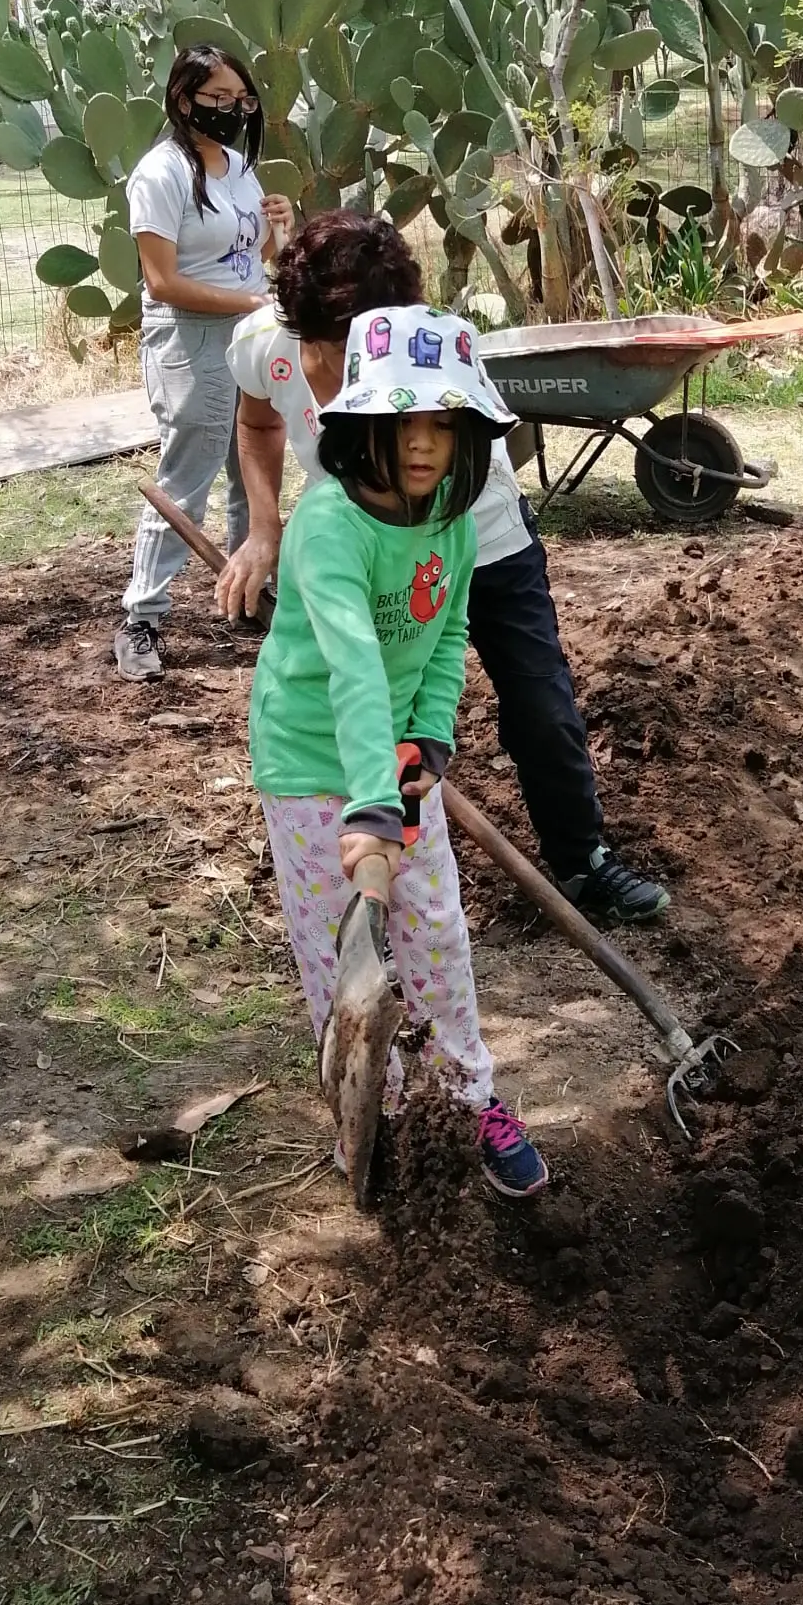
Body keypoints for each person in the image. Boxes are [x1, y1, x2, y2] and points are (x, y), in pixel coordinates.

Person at [218, 210, 668, 924]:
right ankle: (347, 835)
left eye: (363, 355)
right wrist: (265, 530)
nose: (344, 379)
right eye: (329, 352)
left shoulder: (441, 389)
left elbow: (441, 598)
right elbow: (258, 424)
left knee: (539, 706)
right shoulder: (262, 347)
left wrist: (428, 723)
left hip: (471, 539)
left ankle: (583, 862)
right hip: (368, 547)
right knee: (359, 686)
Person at [249, 299, 549, 1200]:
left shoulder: (450, 523)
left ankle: (471, 1093)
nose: (421, 445)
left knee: (434, 933)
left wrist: (428, 738)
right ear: (362, 427)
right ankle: (366, 1112)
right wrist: (368, 810)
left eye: (442, 426)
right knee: (339, 953)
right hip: (309, 761)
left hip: (394, 756)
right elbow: (350, 670)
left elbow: (447, 632)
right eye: (401, 422)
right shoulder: (329, 526)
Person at [114, 47, 293, 680]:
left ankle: (251, 592)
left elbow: (257, 254)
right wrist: (251, 300)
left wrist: (280, 229)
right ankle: (142, 617)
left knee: (254, 470)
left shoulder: (239, 166)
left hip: (249, 331)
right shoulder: (159, 175)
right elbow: (162, 282)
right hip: (189, 337)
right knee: (186, 479)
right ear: (185, 101)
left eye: (243, 101)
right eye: (221, 100)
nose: (236, 112)